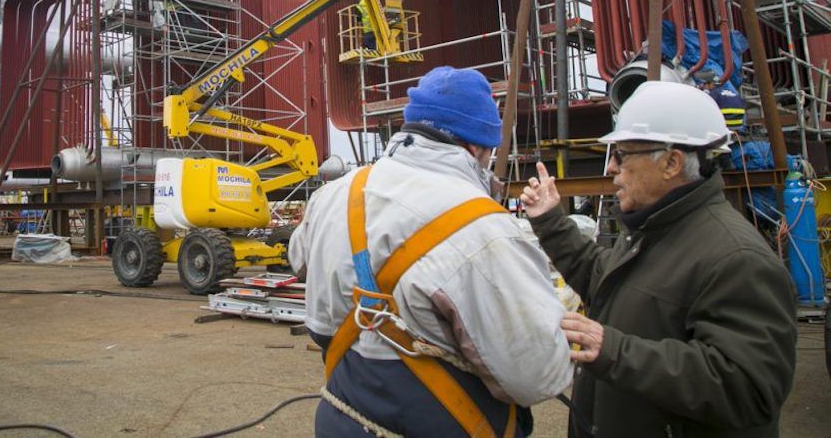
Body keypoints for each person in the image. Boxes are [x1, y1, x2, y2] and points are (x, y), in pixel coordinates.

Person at [290, 66, 572, 437]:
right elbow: (535, 376)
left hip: (342, 419)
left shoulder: (334, 194)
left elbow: (299, 260)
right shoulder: (483, 227)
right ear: (476, 146)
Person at [519, 81, 797, 438]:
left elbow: (748, 389)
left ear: (671, 162)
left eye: (622, 154)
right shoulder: (655, 230)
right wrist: (550, 221)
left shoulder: (736, 259)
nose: (610, 168)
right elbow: (603, 278)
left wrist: (615, 351)